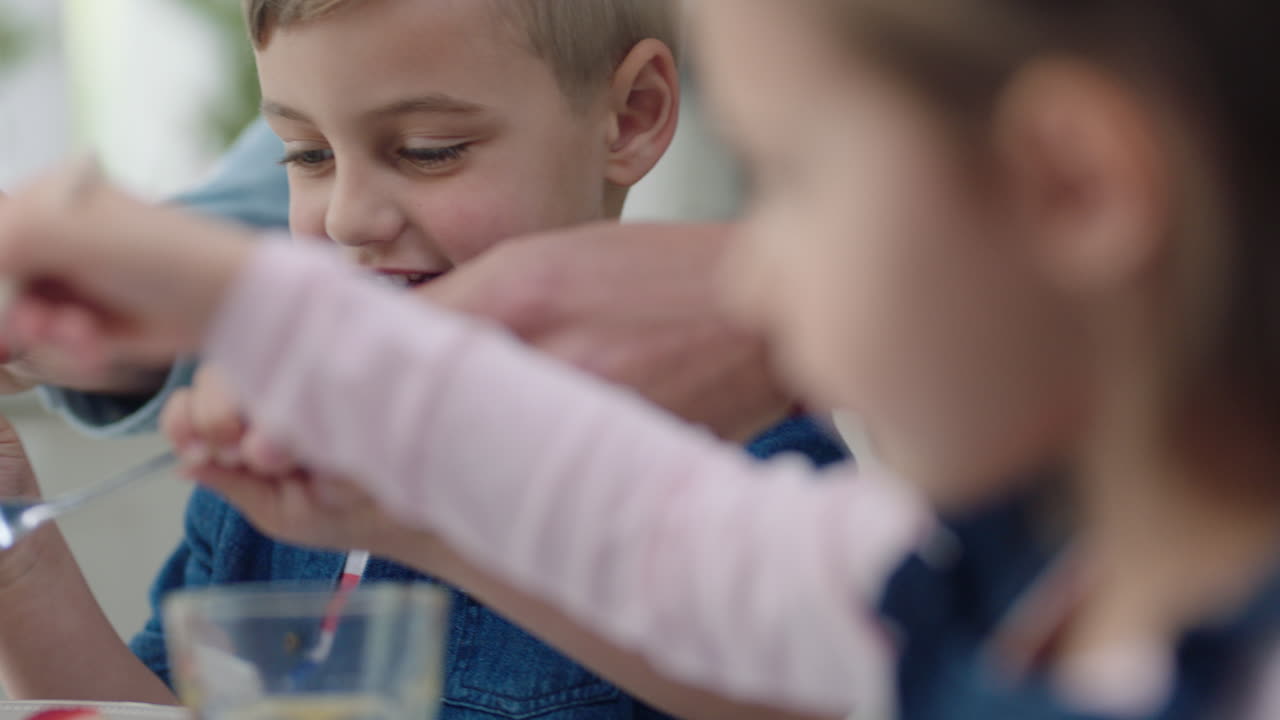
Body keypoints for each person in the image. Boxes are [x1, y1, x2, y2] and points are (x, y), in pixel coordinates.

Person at [3, 0, 1278, 718]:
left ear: (1074, 188)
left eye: (789, 181)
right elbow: (653, 542)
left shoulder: (868, 549)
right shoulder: (963, 593)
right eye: (304, 155)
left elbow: (654, 541)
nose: (741, 273)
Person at [0, 2, 845, 720]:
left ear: (630, 117)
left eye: (429, 150)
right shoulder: (271, 486)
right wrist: (17, 551)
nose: (347, 219)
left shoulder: (747, 468)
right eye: (307, 156)